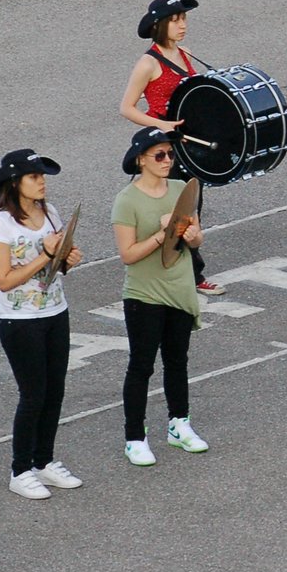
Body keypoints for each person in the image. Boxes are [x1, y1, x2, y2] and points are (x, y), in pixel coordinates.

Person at [0, 149, 84, 500]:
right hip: (19, 320)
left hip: (55, 312)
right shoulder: (0, 224)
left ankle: (44, 461)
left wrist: (67, 259)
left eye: (42, 175)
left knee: (54, 391)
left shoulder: (51, 213)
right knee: (33, 395)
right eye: (34, 176)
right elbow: (4, 280)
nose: (42, 181)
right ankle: (20, 469)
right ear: (15, 183)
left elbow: (55, 264)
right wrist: (44, 253)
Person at [112, 126, 209, 466]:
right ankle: (134, 437)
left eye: (170, 154)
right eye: (160, 155)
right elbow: (128, 254)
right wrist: (163, 233)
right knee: (141, 366)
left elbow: (195, 240)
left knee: (177, 361)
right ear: (141, 160)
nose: (168, 160)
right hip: (144, 295)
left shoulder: (182, 190)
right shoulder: (127, 201)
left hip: (179, 289)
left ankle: (179, 424)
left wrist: (193, 235)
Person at [119, 0, 223, 297]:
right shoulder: (147, 63)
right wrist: (160, 124)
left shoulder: (185, 53)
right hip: (163, 146)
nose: (182, 25)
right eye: (175, 20)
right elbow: (126, 107)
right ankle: (186, 275)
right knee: (173, 208)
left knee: (191, 206)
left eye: (184, 19)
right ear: (159, 25)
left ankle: (187, 271)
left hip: (189, 144)